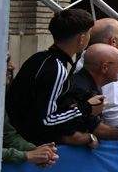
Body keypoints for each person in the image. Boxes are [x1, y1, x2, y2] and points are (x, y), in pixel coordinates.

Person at [8, 8, 98, 147]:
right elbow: (45, 120)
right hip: (26, 140)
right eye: (89, 33)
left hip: (18, 130)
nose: (89, 38)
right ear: (81, 38)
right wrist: (86, 108)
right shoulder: (57, 68)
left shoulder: (39, 58)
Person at [65, 44, 118, 143]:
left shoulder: (90, 84)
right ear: (105, 67)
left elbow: (93, 124)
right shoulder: (82, 89)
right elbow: (90, 126)